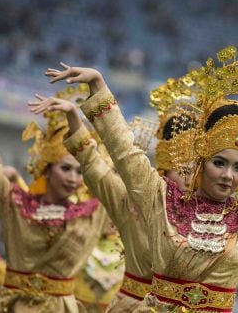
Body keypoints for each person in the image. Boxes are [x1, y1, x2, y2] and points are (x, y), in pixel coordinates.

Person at [42, 45, 238, 312]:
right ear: (201, 163)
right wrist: (99, 87)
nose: (228, 176)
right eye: (219, 163)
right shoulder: (160, 199)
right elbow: (125, 154)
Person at [28, 67, 200, 312]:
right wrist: (85, 106)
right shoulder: (132, 206)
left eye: (196, 171)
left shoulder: (212, 219)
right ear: (163, 172)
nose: (190, 179)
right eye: (183, 170)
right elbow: (96, 163)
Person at [0, 86, 109, 313]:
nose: (73, 178)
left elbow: (108, 176)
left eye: (79, 172)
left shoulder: (89, 215)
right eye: (66, 169)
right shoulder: (16, 205)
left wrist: (80, 120)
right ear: (46, 169)